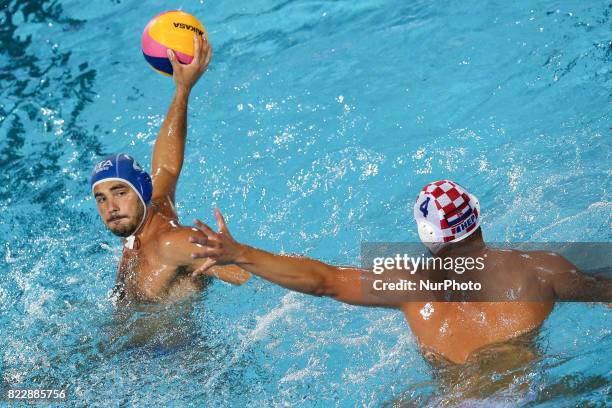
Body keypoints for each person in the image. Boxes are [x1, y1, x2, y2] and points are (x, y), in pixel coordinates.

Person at [188, 180, 610, 364]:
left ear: (427, 237)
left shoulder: (410, 282)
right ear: (478, 217)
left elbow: (324, 281)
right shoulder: (542, 269)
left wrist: (240, 253)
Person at [91, 35, 249, 303]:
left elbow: (251, 275)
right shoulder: (141, 219)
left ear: (141, 191)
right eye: (101, 198)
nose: (111, 208)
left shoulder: (173, 243)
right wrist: (182, 90)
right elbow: (167, 165)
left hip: (175, 346)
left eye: (120, 192)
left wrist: (238, 255)